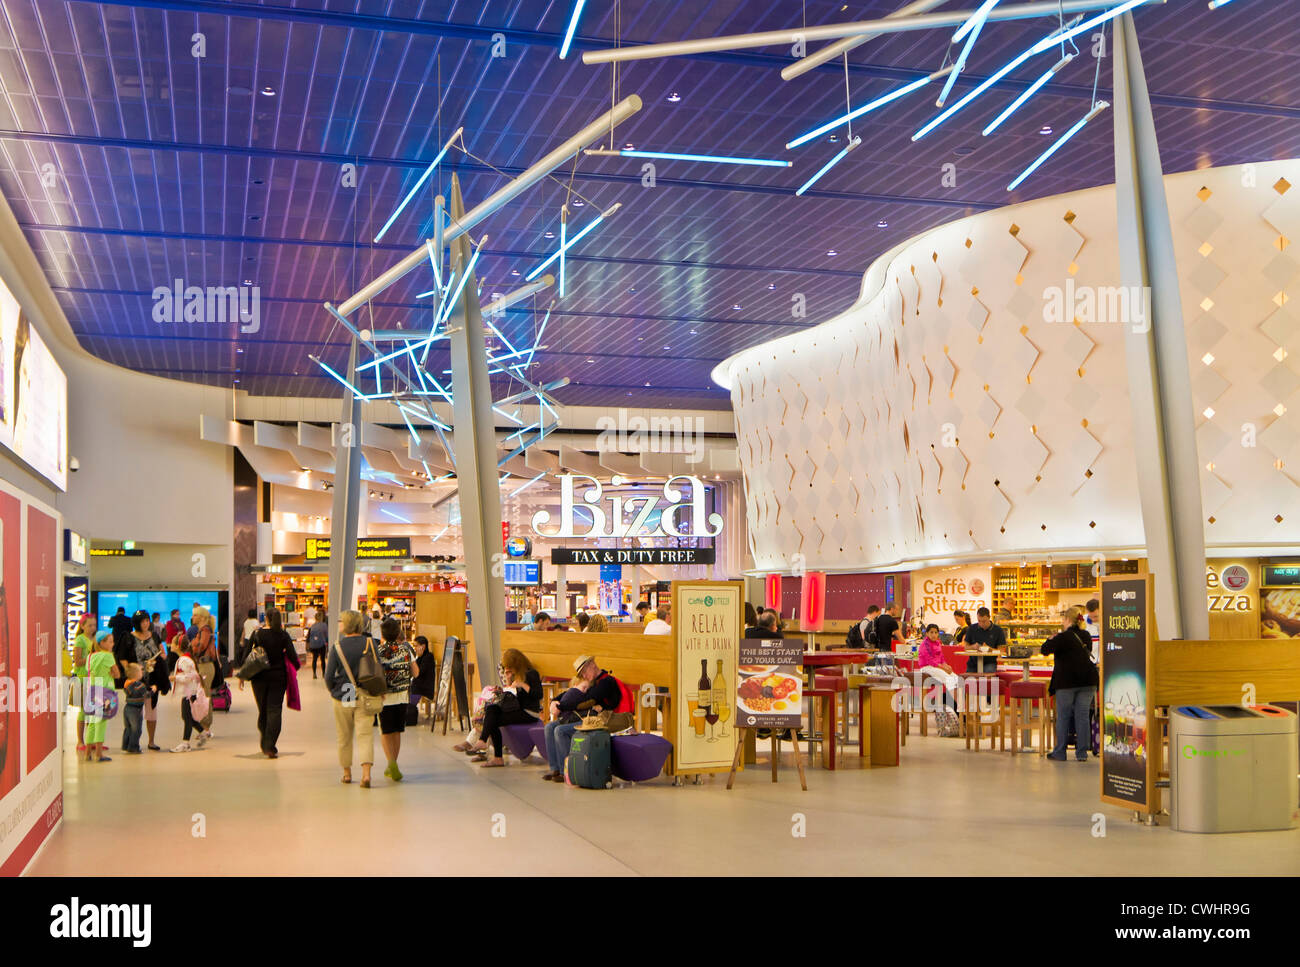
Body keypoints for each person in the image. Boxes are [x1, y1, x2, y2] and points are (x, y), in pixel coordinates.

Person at [541, 655, 632, 781]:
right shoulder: (592, 681)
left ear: (592, 665)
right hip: (586, 716)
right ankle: (555, 768)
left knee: (560, 731)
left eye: (584, 671)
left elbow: (585, 700)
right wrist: (554, 701)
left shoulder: (606, 681)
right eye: (581, 673)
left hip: (601, 719)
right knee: (549, 727)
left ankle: (568, 771)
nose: (583, 675)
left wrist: (561, 706)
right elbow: (572, 693)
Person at [459, 648, 543, 767]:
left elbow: (538, 695)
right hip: (518, 708)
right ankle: (483, 742)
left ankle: (495, 754)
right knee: (491, 709)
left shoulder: (531, 674)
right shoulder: (516, 675)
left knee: (493, 720)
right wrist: (509, 681)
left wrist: (522, 685)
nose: (509, 669)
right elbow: (513, 694)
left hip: (529, 712)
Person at [324, 609, 379, 787]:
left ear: (347, 624)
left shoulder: (337, 647)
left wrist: (333, 690)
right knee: (365, 735)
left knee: (344, 736)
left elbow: (328, 676)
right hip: (366, 693)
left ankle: (347, 773)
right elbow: (379, 668)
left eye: (341, 621)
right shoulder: (370, 643)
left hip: (344, 693)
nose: (339, 623)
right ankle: (366, 774)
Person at [239, 607, 299, 758]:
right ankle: (270, 745)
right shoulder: (283, 635)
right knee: (274, 710)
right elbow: (293, 657)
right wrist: (294, 667)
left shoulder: (257, 634)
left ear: (266, 619)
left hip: (258, 678)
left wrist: (241, 676)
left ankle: (265, 741)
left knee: (263, 710)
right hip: (278, 678)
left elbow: (246, 656)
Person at [1042, 608, 1099, 762]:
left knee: (1063, 717)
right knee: (1082, 716)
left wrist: (1050, 639)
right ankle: (1082, 753)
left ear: (1067, 619)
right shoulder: (1086, 635)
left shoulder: (1062, 637)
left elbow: (1044, 650)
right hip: (1088, 680)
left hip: (1066, 682)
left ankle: (1060, 752)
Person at [374, 617, 418, 781]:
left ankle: (391, 762)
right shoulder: (406, 650)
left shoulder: (378, 651)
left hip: (384, 697)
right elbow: (416, 672)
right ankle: (393, 763)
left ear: (382, 634)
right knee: (397, 731)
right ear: (398, 632)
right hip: (402, 696)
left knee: (385, 731)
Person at [84, 630, 119, 763]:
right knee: (101, 722)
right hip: (105, 693)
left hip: (93, 690)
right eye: (110, 641)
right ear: (102, 643)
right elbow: (117, 674)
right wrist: (111, 672)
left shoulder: (90, 656)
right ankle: (99, 753)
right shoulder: (108, 656)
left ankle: (88, 752)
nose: (112, 644)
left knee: (92, 722)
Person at [169, 635, 204, 752]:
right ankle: (204, 732)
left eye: (172, 643)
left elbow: (188, 677)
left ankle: (186, 743)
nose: (170, 644)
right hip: (189, 691)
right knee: (187, 716)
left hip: (188, 692)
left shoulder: (184, 660)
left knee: (187, 717)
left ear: (178, 646)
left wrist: (175, 678)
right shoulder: (185, 659)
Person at [917, 623, 960, 711]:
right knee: (948, 678)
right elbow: (930, 661)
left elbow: (941, 658)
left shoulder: (937, 643)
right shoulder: (925, 644)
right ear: (927, 633)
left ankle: (961, 702)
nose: (934, 635)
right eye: (931, 632)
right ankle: (959, 705)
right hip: (927, 667)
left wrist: (946, 666)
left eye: (936, 632)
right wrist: (942, 667)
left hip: (937, 667)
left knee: (956, 677)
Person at [72, 613, 95, 756]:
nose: (92, 628)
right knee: (83, 710)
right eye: (89, 625)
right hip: (82, 678)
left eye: (94, 625)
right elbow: (77, 661)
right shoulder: (80, 640)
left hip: (93, 677)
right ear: (82, 626)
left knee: (92, 711)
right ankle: (80, 741)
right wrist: (92, 658)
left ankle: (90, 740)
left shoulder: (95, 639)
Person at [191, 623, 218, 738]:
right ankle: (204, 727)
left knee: (204, 696)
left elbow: (200, 647)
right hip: (203, 665)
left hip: (205, 665)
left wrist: (193, 642)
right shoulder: (202, 631)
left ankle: (205, 728)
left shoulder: (205, 630)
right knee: (204, 695)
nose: (193, 617)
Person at [122, 664, 150, 754]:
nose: (142, 672)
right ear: (136, 674)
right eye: (140, 671)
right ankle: (134, 747)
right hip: (136, 710)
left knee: (128, 728)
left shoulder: (127, 683)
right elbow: (146, 695)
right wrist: (153, 690)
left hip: (127, 707)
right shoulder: (139, 685)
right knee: (136, 729)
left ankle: (126, 745)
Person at [409, 635, 437, 716]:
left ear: (423, 646)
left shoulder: (429, 657)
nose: (415, 648)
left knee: (410, 703)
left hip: (423, 687)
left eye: (416, 646)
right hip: (418, 685)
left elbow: (418, 672)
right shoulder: (420, 658)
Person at [304, 611, 329, 679]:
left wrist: (308, 645)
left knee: (314, 659)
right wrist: (327, 642)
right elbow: (327, 635)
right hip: (322, 645)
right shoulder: (324, 625)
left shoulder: (312, 626)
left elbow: (308, 637)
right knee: (322, 659)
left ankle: (314, 674)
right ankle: (323, 674)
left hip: (314, 645)